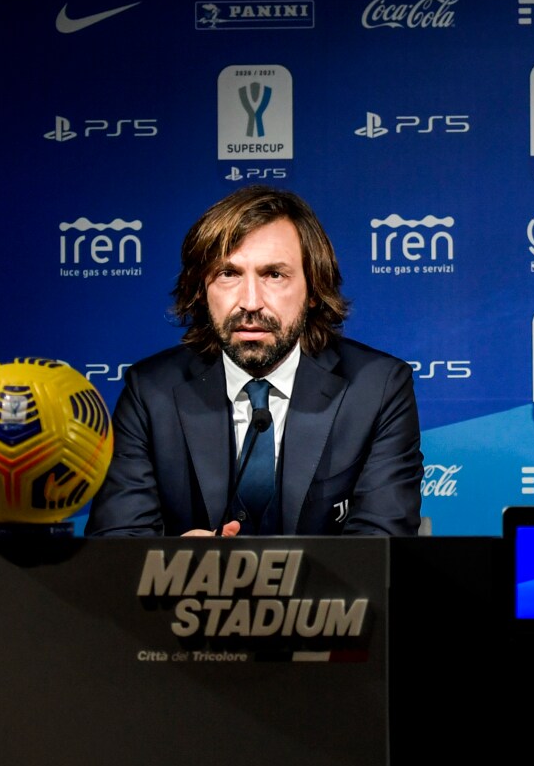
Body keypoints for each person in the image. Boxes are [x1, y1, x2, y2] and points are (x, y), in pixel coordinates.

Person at [87, 186, 422, 537]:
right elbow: (118, 542)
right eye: (228, 274)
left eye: (274, 275)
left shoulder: (377, 388)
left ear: (313, 289)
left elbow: (383, 546)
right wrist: (179, 560)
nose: (250, 302)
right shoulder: (150, 391)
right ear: (201, 290)